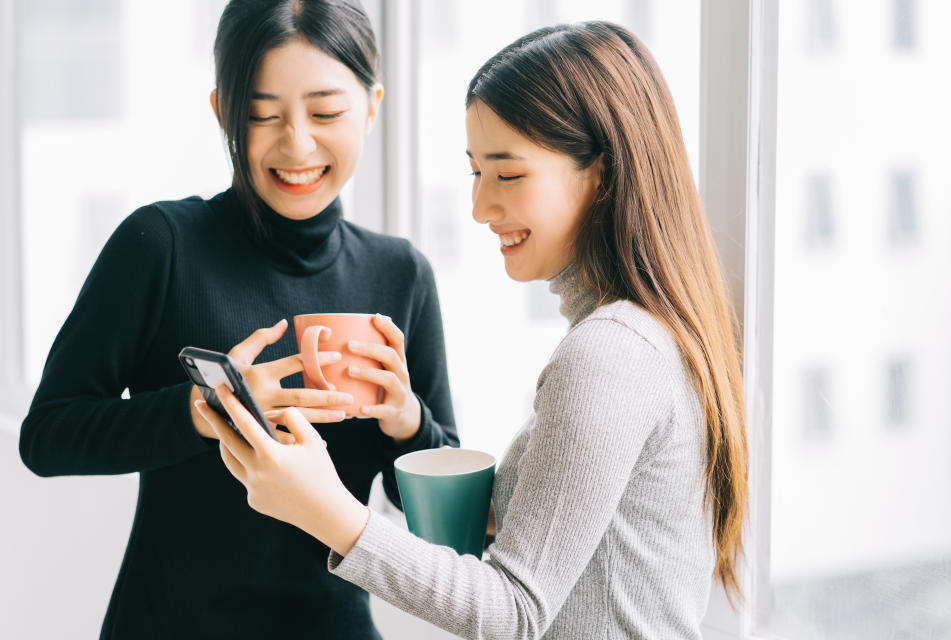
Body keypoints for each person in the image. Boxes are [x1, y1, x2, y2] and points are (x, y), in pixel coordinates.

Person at [199, 20, 749, 640]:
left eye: (508, 175)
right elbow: (545, 535)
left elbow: (513, 611)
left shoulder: (610, 354)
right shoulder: (637, 337)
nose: (480, 207)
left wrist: (328, 511)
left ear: (602, 172)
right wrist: (406, 424)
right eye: (475, 172)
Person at [18, 1, 458, 638]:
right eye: (261, 114)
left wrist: (409, 423)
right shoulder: (161, 244)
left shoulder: (402, 274)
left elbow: (436, 525)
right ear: (223, 110)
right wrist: (204, 411)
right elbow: (47, 437)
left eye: (327, 111)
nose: (298, 143)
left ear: (371, 106)